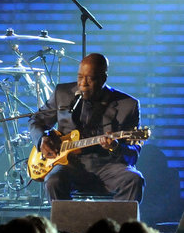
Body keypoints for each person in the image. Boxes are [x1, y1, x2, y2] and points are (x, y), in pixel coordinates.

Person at [28, 53, 145, 202]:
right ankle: (64, 225)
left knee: (134, 179)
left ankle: (122, 225)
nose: (83, 84)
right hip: (69, 164)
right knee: (53, 181)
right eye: (80, 77)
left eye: (90, 78)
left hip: (107, 166)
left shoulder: (128, 104)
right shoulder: (62, 93)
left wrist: (115, 147)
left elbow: (133, 155)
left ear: (103, 79)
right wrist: (42, 139)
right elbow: (36, 120)